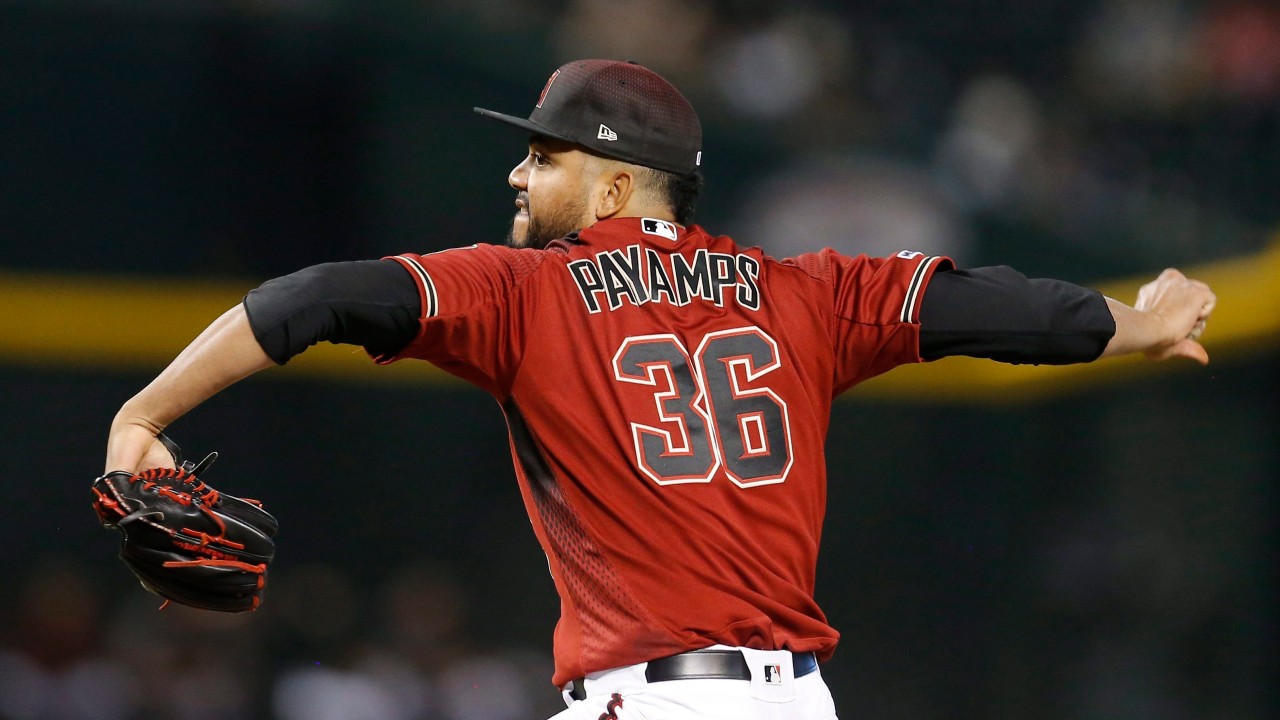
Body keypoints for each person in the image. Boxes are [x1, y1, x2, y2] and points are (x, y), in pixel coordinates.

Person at [102, 59, 1216, 719]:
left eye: (544, 155)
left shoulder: (523, 295)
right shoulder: (806, 294)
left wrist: (142, 418)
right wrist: (1140, 324)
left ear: (617, 183)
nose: (517, 172)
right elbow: (997, 311)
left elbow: (309, 299)